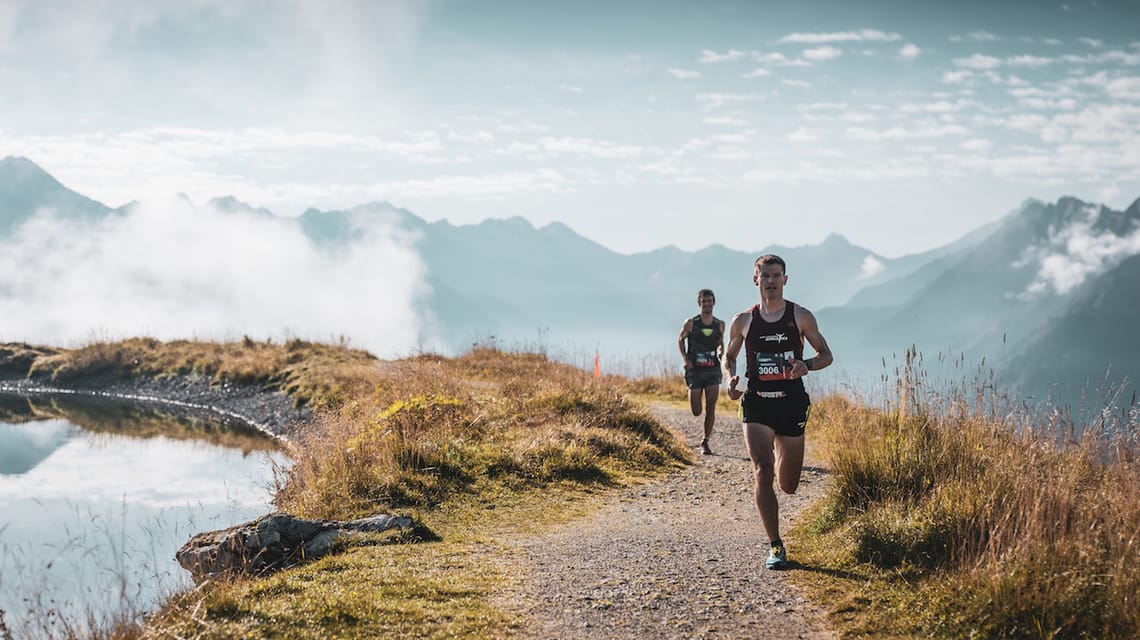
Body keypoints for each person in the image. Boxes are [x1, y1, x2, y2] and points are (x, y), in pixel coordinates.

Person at [722, 255, 833, 570]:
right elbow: (728, 357)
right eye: (765, 276)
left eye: (776, 276)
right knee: (763, 471)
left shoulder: (801, 317)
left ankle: (784, 467)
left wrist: (806, 365)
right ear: (755, 279)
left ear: (785, 279)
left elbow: (826, 355)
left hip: (791, 403)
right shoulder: (743, 321)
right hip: (757, 403)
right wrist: (728, 378)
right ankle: (775, 545)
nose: (771, 281)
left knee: (789, 484)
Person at [678, 288, 725, 455]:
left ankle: (705, 441)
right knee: (696, 410)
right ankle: (691, 392)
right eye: (704, 301)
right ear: (699, 303)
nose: (707, 304)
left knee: (711, 407)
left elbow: (720, 343)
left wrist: (721, 353)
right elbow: (680, 339)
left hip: (712, 369)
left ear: (714, 303)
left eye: (709, 301)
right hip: (695, 370)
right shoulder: (691, 323)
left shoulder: (720, 324)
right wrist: (686, 360)